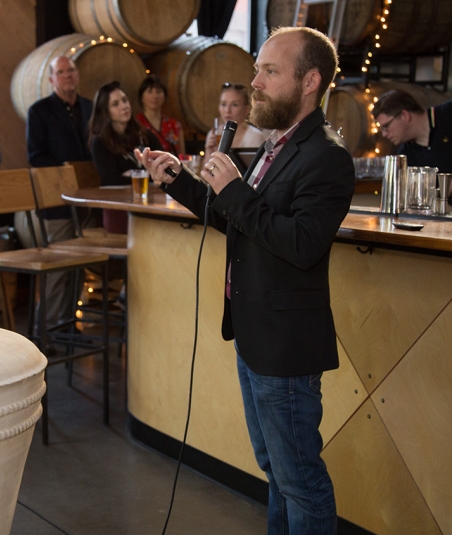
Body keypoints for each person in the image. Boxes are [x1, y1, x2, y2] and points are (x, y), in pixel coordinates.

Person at [138, 27, 354, 533]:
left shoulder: (326, 156)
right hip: (254, 335)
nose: (255, 82)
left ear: (310, 82)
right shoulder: (276, 147)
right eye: (258, 69)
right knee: (275, 470)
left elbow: (301, 245)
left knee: (300, 479)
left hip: (286, 346)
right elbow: (238, 220)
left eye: (269, 71)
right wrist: (181, 183)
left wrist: (234, 190)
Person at [24, 55, 95, 329]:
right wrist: (65, 171)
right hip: (56, 199)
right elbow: (35, 155)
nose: (67, 75)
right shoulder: (39, 111)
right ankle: (47, 328)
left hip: (87, 198)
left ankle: (67, 324)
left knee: (79, 265)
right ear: (52, 79)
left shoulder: (89, 107)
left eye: (72, 70)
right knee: (58, 266)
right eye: (61, 72)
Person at [89, 81, 162, 234]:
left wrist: (133, 174)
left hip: (150, 205)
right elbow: (111, 180)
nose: (124, 106)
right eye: (115, 104)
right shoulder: (100, 142)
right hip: (119, 209)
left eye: (124, 100)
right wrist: (146, 173)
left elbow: (163, 167)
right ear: (106, 111)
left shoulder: (145, 135)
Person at [204, 82, 271, 161]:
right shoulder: (214, 134)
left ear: (246, 109)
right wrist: (209, 151)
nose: (227, 110)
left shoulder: (255, 137)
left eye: (234, 105)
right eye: (223, 104)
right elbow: (205, 171)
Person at [136, 76, 185, 155]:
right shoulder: (136, 123)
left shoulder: (175, 125)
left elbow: (182, 156)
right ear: (141, 97)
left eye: (158, 92)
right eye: (150, 91)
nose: (155, 96)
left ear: (164, 96)